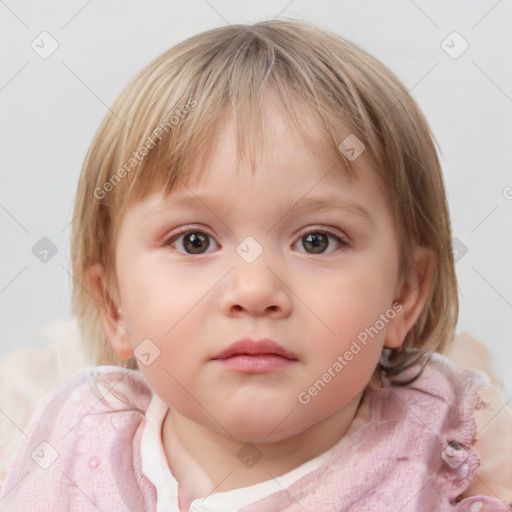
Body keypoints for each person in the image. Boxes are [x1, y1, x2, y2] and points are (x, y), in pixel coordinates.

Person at [0, 19, 510, 511]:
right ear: (113, 304)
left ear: (403, 296)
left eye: (316, 241)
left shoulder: (454, 462)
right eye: (195, 242)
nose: (254, 289)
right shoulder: (62, 444)